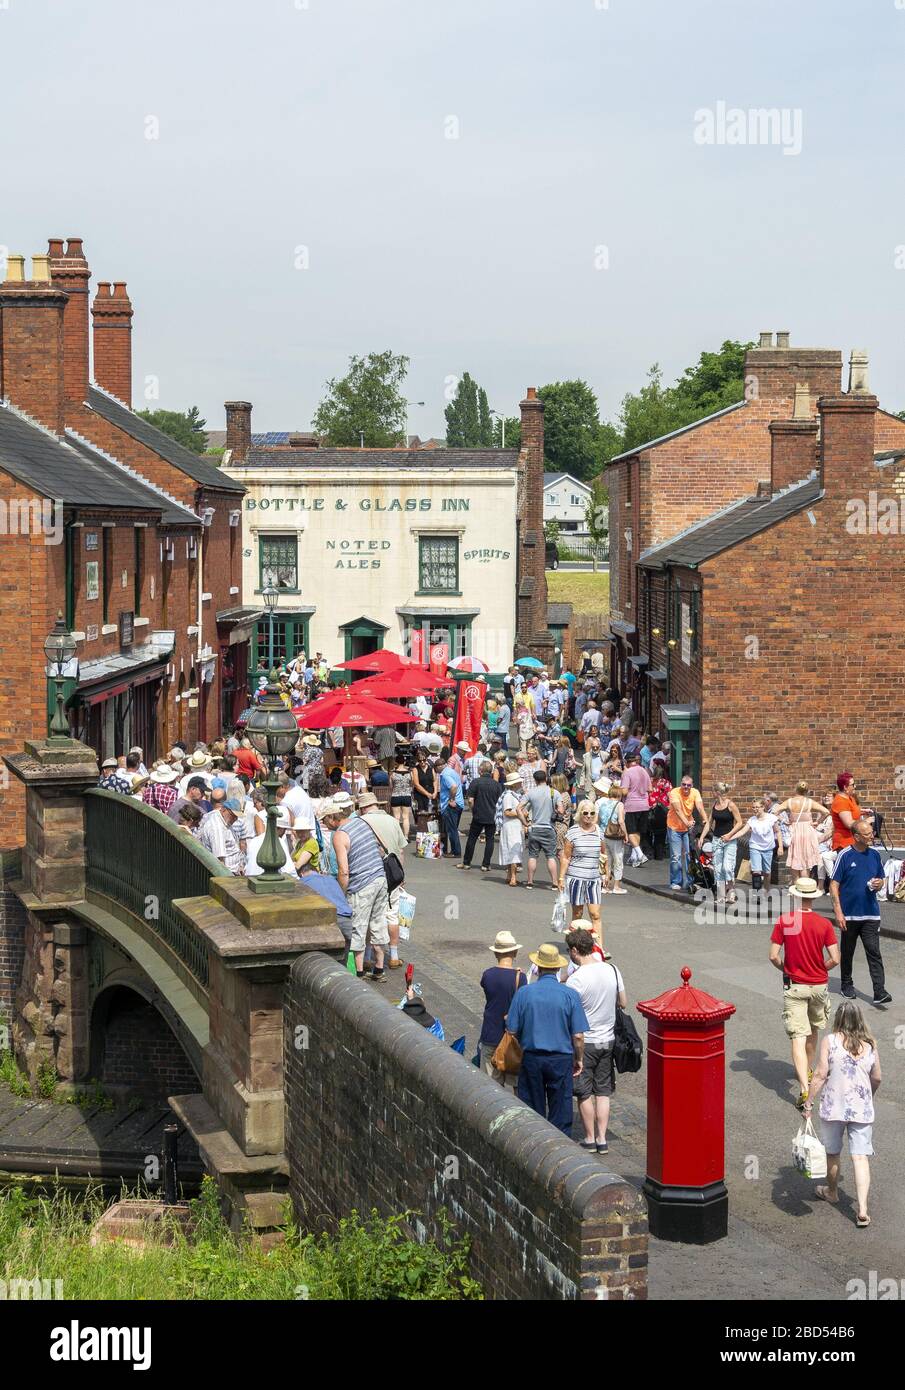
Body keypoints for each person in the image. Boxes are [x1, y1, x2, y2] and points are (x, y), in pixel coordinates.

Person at [804, 1002, 881, 1227]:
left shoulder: (830, 1041)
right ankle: (863, 1209)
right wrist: (869, 1095)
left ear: (838, 1019)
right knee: (860, 1156)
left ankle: (832, 1191)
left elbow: (819, 1074)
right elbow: (877, 1077)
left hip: (833, 1106)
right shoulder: (870, 1045)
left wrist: (808, 1101)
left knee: (833, 1153)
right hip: (861, 1108)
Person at [769, 876, 840, 1109]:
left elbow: (773, 956)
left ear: (796, 896)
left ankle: (803, 1089)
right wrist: (821, 968)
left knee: (797, 1037)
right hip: (819, 985)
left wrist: (786, 968)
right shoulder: (824, 924)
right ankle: (808, 1072)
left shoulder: (785, 921)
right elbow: (835, 959)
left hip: (795, 985)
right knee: (812, 1032)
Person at [504, 942, 588, 1136]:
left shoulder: (524, 993)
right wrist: (579, 1059)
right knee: (561, 1108)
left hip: (532, 1057)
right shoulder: (570, 994)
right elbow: (578, 1035)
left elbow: (512, 1029)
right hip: (561, 1058)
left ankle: (535, 1141)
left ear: (538, 967)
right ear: (558, 967)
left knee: (532, 1108)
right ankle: (559, 1145)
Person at [565, 928, 626, 1154]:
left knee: (583, 1092)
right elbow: (623, 1002)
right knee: (603, 1091)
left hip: (586, 1041)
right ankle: (602, 1139)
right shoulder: (612, 969)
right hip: (608, 1039)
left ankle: (589, 1138)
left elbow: (569, 1014)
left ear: (574, 950)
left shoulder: (576, 979)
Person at [830, 817, 892, 1005]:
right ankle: (846, 984)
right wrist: (838, 912)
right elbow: (834, 885)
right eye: (867, 834)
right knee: (848, 952)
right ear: (856, 836)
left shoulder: (874, 855)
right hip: (849, 914)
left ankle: (879, 991)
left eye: (871, 833)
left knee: (874, 951)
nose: (871, 836)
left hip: (871, 913)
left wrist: (880, 883)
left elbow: (882, 880)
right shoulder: (845, 855)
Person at [332, 800, 390, 982]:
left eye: (325, 820)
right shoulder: (361, 822)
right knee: (378, 923)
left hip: (362, 884)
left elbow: (344, 871)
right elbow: (379, 850)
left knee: (358, 926)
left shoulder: (339, 835)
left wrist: (340, 895)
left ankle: (358, 972)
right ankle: (379, 969)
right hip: (380, 878)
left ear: (332, 817)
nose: (325, 824)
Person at [357, 792, 408, 970]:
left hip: (370, 875)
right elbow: (401, 851)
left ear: (363, 808)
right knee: (392, 916)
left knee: (371, 915)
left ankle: (369, 956)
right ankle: (393, 956)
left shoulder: (361, 822)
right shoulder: (393, 821)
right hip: (392, 875)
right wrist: (401, 876)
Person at [479, 931, 528, 1090]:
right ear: (515, 952)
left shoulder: (487, 975)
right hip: (513, 1038)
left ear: (495, 953)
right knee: (516, 1086)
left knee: (491, 1086)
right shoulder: (520, 978)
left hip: (490, 1033)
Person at [559, 800, 605, 935]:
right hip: (576, 878)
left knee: (595, 914)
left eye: (592, 813)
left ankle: (599, 949)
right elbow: (566, 857)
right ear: (580, 813)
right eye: (585, 813)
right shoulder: (573, 832)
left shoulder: (599, 831)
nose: (589, 816)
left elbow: (603, 854)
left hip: (594, 879)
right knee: (578, 914)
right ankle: (575, 945)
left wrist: (605, 873)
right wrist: (561, 877)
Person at [701, 782, 743, 906]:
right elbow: (709, 823)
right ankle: (721, 895)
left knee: (727, 867)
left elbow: (740, 822)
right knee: (718, 868)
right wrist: (702, 837)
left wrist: (730, 835)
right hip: (717, 840)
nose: (712, 793)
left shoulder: (731, 805)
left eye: (713, 791)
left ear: (717, 792)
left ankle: (731, 891)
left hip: (729, 840)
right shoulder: (715, 805)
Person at [775, 782, 824, 882]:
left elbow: (775, 812)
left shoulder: (789, 802)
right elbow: (826, 812)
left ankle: (795, 887)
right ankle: (804, 887)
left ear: (795, 789)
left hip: (794, 831)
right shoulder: (810, 802)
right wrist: (817, 822)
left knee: (795, 859)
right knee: (806, 861)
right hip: (808, 832)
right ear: (806, 791)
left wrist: (784, 821)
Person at [459, 759, 503, 871]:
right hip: (492, 815)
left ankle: (467, 862)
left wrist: (473, 809)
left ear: (481, 770)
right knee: (490, 840)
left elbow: (470, 800)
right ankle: (486, 864)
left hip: (479, 814)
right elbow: (500, 801)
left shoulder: (476, 782)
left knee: (472, 839)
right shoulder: (497, 785)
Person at [520, 770, 559, 890]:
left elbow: (519, 809)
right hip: (549, 827)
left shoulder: (531, 793)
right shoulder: (554, 792)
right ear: (546, 778)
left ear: (535, 780)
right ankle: (554, 882)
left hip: (535, 828)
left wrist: (525, 822)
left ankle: (530, 881)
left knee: (533, 856)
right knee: (551, 856)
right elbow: (561, 810)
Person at [666, 774, 705, 891]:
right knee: (676, 856)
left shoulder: (695, 792)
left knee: (690, 855)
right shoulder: (674, 792)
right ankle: (676, 881)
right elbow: (677, 810)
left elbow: (700, 807)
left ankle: (690, 881)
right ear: (681, 784)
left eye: (688, 785)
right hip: (674, 827)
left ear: (692, 785)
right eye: (684, 784)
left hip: (688, 829)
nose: (686, 787)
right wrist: (686, 822)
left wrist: (705, 819)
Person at [198, 796, 246, 875]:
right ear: (224, 810)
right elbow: (220, 860)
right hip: (227, 873)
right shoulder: (217, 827)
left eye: (236, 817)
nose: (235, 819)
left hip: (234, 870)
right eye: (233, 815)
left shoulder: (224, 820)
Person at [745, 797, 784, 892]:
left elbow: (778, 832)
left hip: (768, 848)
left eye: (757, 807)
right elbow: (743, 830)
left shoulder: (771, 818)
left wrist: (780, 847)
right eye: (753, 807)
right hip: (755, 847)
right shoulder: (752, 820)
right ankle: (757, 893)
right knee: (756, 871)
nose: (755, 809)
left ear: (763, 807)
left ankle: (766, 890)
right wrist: (730, 837)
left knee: (767, 872)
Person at [620, 753, 651, 867]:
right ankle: (635, 857)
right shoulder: (644, 771)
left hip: (632, 805)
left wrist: (618, 788)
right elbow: (650, 788)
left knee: (630, 831)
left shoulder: (627, 773)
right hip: (644, 805)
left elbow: (624, 792)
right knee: (637, 831)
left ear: (626, 762)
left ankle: (640, 854)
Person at [597, 784, 628, 894]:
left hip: (603, 835)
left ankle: (605, 886)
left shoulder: (602, 803)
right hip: (615, 836)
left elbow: (598, 820)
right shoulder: (620, 805)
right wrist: (625, 834)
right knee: (618, 860)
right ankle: (616, 886)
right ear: (619, 795)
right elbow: (621, 821)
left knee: (606, 861)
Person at [498, 771, 527, 886]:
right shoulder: (509, 796)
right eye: (519, 782)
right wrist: (521, 814)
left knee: (512, 850)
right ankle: (513, 877)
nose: (521, 784)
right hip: (511, 826)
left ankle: (510, 875)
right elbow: (507, 812)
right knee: (513, 851)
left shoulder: (514, 795)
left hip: (514, 826)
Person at [437, 755, 464, 858]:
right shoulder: (451, 771)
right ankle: (453, 850)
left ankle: (455, 852)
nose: (435, 770)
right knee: (452, 828)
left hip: (452, 805)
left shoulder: (445, 774)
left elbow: (453, 787)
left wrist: (451, 800)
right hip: (459, 803)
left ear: (440, 766)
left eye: (435, 767)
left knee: (452, 829)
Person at [830, 772, 861, 852]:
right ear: (845, 787)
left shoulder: (850, 798)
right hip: (844, 843)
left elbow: (851, 811)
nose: (855, 786)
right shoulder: (841, 801)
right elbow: (849, 824)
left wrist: (863, 811)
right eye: (853, 785)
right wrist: (865, 822)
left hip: (853, 841)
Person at [389, 753, 413, 840]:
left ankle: (397, 836)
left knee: (396, 817)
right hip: (406, 795)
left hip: (396, 796)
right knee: (406, 817)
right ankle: (406, 836)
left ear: (396, 762)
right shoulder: (410, 773)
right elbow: (412, 784)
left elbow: (391, 786)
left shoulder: (393, 774)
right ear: (404, 761)